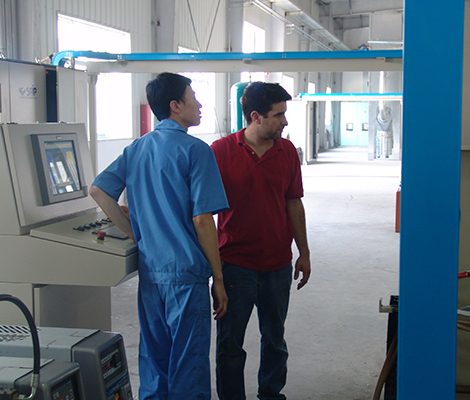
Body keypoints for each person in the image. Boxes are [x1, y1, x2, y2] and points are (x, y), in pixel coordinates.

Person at [89, 72, 229, 400]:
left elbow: (98, 190)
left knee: (155, 361)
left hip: (152, 273)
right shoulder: (196, 151)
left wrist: (137, 234)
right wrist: (219, 279)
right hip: (186, 276)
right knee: (188, 364)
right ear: (175, 105)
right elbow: (202, 220)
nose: (199, 104)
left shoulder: (137, 149)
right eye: (193, 97)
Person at [211, 81, 311, 400]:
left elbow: (294, 202)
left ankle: (271, 395)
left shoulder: (287, 152)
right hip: (235, 265)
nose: (285, 121)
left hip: (277, 265)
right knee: (230, 344)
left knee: (275, 340)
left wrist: (304, 252)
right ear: (256, 116)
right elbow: (201, 212)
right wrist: (214, 271)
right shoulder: (220, 152)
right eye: (278, 114)